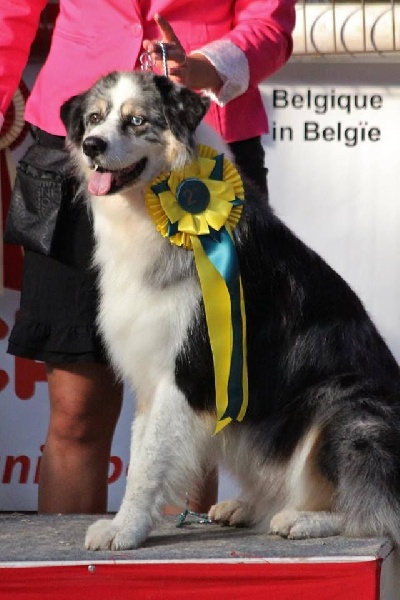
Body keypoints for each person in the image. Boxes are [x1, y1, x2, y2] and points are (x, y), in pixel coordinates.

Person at [0, 0, 296, 514]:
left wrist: (208, 65)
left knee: (192, 399)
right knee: (75, 409)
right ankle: (62, 564)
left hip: (201, 146)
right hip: (77, 141)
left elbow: (269, 20)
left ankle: (178, 561)